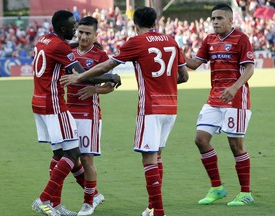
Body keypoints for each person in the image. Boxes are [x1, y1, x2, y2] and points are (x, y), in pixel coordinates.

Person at [60, 6, 189, 216]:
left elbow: (106, 66)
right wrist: (163, 83)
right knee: (157, 156)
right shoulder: (171, 40)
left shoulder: (136, 42)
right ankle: (153, 206)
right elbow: (183, 76)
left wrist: (78, 77)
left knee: (148, 158)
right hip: (171, 107)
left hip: (151, 107)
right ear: (155, 22)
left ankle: (159, 211)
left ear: (135, 24)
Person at [31, 10, 120, 216]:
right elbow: (84, 76)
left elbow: (70, 63)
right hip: (55, 105)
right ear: (65, 29)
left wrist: (102, 84)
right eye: (75, 29)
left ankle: (58, 203)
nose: (78, 34)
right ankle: (44, 199)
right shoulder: (62, 47)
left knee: (61, 154)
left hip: (44, 104)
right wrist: (113, 76)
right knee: (72, 153)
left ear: (95, 35)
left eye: (86, 32)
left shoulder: (44, 40)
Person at [184, 3, 255, 206]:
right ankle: (217, 188)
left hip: (236, 100)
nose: (215, 22)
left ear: (230, 20)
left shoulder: (241, 39)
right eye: (213, 19)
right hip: (214, 99)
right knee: (200, 139)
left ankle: (245, 193)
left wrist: (234, 88)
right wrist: (175, 52)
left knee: (235, 145)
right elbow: (195, 64)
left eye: (219, 18)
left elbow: (249, 68)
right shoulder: (209, 40)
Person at [67, 16, 114, 216]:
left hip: (89, 114)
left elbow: (110, 85)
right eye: (81, 32)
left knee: (86, 159)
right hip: (67, 111)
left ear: (95, 35)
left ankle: (88, 202)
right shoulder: (69, 52)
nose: (83, 36)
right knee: (67, 159)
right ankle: (94, 194)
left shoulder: (100, 56)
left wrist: (95, 91)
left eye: (88, 33)